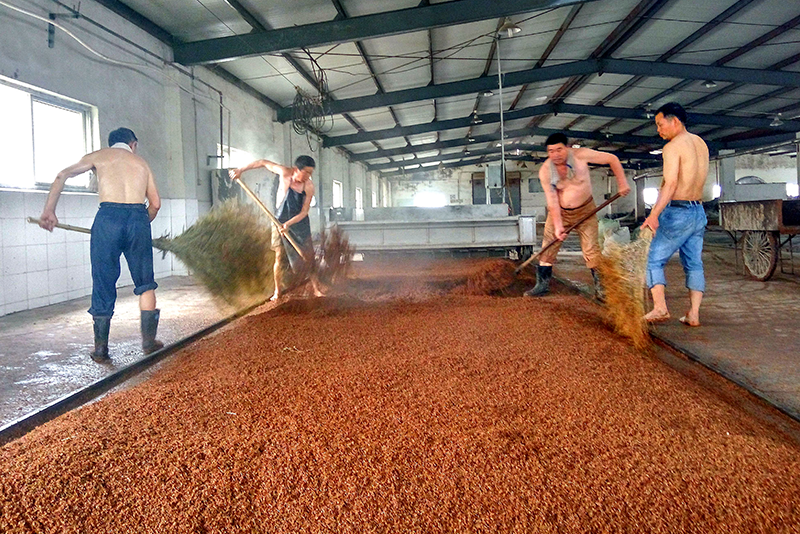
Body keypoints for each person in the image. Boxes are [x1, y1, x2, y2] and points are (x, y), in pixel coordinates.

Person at [38, 127, 164, 363]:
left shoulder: (98, 156)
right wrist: (139, 226)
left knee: (103, 280)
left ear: (110, 144)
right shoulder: (141, 163)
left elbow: (61, 175)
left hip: (107, 219)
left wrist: (49, 211)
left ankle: (101, 349)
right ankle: (148, 342)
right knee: (145, 282)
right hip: (138, 218)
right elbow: (155, 203)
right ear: (133, 144)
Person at [525, 133, 631, 299]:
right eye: (551, 151)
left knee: (591, 249)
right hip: (559, 212)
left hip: (586, 211)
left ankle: (601, 289)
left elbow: (612, 159)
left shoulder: (581, 155)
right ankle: (542, 285)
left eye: (559, 149)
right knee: (548, 246)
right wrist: (559, 227)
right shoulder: (546, 171)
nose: (555, 155)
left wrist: (622, 183)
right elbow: (552, 201)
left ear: (567, 147)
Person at [642, 102, 709, 327]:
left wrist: (654, 215)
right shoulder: (700, 143)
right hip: (699, 211)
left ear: (675, 121)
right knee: (694, 263)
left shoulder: (672, 147)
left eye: (661, 124)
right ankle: (694, 314)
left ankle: (660, 308)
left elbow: (670, 184)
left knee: (652, 258)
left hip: (679, 211)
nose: (659, 130)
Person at [229, 155, 324, 301]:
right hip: (278, 221)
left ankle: (317, 289)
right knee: (279, 257)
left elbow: (304, 211)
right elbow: (262, 162)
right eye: (306, 172)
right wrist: (240, 170)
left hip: (299, 223)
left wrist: (289, 224)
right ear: (296, 169)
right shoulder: (284, 172)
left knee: (307, 256)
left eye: (310, 173)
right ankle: (277, 292)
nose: (308, 176)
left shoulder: (309, 186)